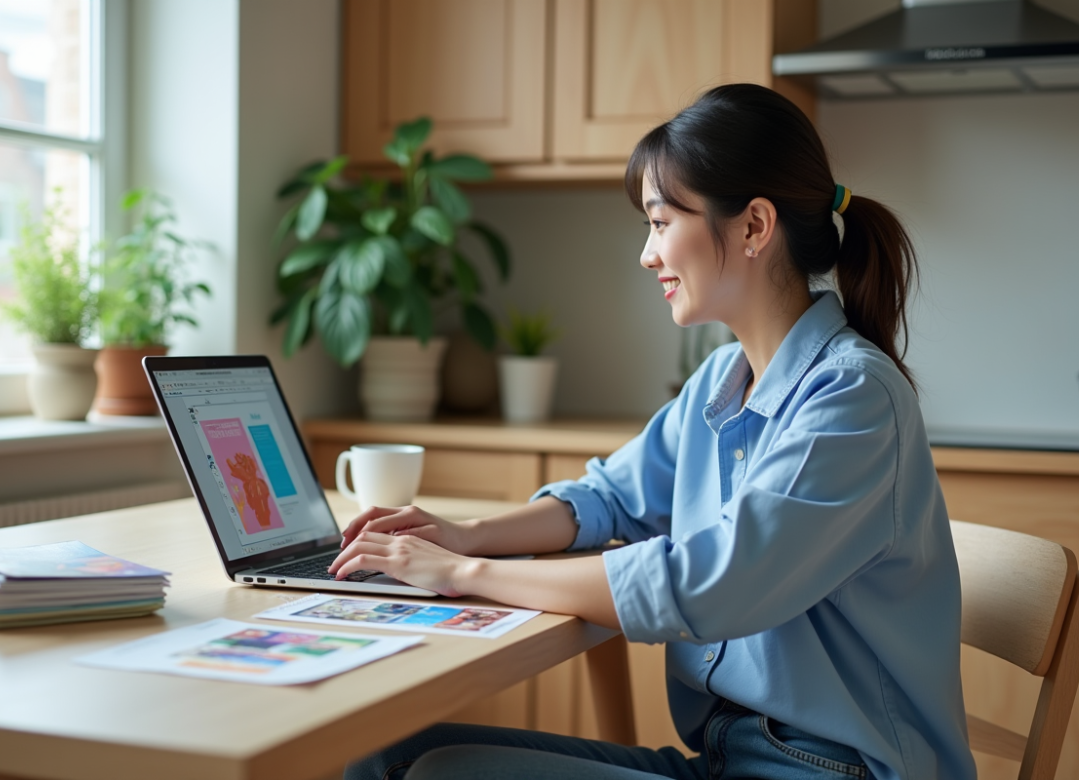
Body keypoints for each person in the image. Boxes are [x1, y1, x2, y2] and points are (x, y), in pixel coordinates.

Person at [331, 83, 977, 780]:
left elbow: (710, 584)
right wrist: (465, 533)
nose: (648, 254)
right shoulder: (723, 380)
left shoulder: (852, 398)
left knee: (434, 775)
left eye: (662, 222)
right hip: (731, 760)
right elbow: (607, 499)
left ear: (755, 227)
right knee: (386, 753)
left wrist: (466, 575)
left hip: (829, 770)